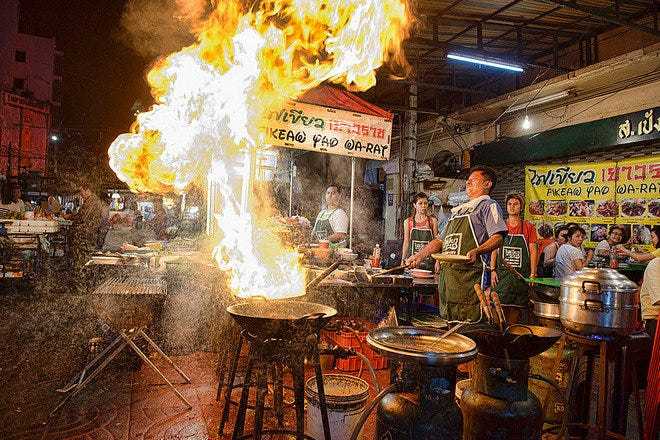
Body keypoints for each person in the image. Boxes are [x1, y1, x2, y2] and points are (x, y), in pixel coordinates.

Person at [406, 166, 507, 322]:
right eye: (467, 182)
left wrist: (477, 251)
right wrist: (419, 256)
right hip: (449, 282)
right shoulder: (458, 212)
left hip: (470, 282)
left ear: (488, 184)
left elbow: (498, 237)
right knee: (450, 329)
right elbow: (440, 240)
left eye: (473, 181)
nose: (468, 184)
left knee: (469, 332)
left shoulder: (488, 206)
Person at [490, 193, 538, 307]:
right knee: (499, 306)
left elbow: (533, 251)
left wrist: (533, 273)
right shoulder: (500, 226)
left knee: (519, 308)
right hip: (502, 277)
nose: (512, 206)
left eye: (516, 204)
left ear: (521, 207)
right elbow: (494, 249)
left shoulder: (528, 227)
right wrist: (492, 270)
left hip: (521, 276)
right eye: (509, 204)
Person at [401, 193, 439, 271]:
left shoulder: (433, 221)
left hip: (429, 264)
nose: (423, 206)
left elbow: (438, 242)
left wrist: (438, 261)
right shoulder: (408, 222)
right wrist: (403, 260)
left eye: (425, 203)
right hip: (413, 263)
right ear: (414, 205)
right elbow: (406, 242)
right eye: (420, 203)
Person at [311, 184, 349, 249]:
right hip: (319, 249)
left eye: (333, 193)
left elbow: (341, 235)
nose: (330, 195)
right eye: (328, 193)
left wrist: (322, 241)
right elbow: (313, 232)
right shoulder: (322, 213)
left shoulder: (340, 213)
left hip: (333, 251)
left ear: (339, 196)